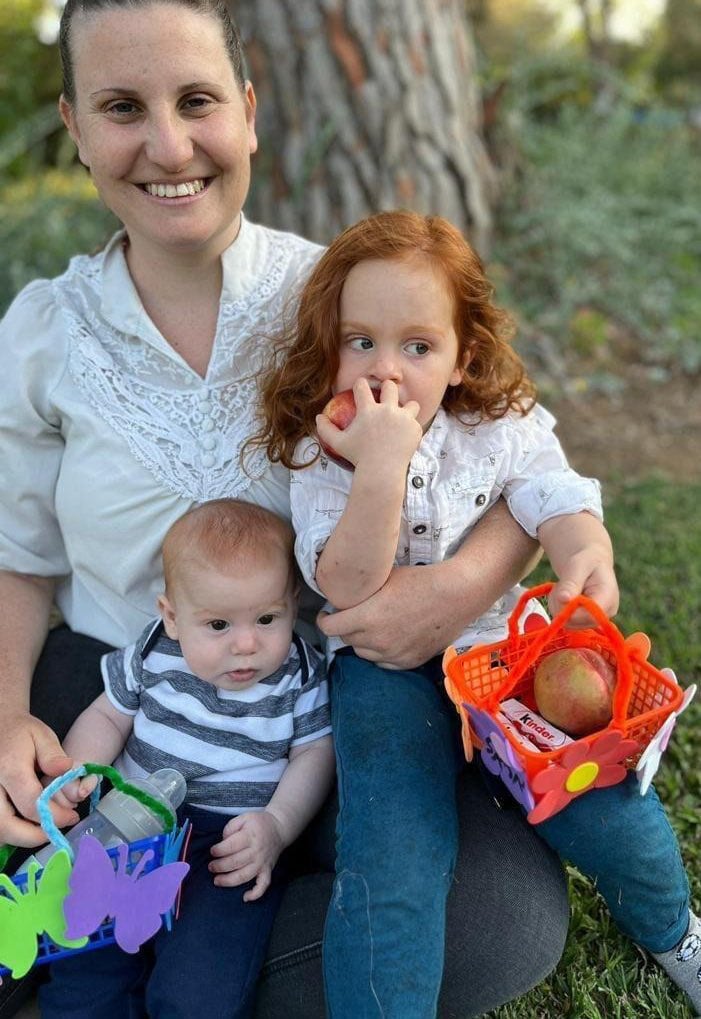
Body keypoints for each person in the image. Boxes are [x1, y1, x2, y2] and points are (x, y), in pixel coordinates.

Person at [0, 1, 571, 1016]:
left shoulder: (342, 298)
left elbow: (516, 446)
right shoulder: (45, 329)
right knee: (48, 832)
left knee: (498, 919)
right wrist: (5, 717)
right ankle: (128, 940)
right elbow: (17, 556)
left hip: (319, 706)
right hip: (119, 699)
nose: (167, 144)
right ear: (76, 128)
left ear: (250, 113)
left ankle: (180, 952)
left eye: (198, 101)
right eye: (122, 107)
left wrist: (455, 586)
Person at [254, 209, 700, 1018]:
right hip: (386, 676)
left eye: (417, 347)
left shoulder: (499, 425)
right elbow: (347, 583)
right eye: (360, 342)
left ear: (462, 358)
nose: (384, 370)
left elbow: (554, 493)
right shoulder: (323, 454)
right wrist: (379, 463)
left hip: (508, 659)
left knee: (605, 806)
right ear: (330, 347)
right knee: (394, 855)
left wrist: (583, 549)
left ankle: (672, 932)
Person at [37, 498, 334, 1019]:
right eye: (218, 625)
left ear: (292, 603)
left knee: (200, 990)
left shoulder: (298, 673)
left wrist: (277, 827)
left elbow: (313, 754)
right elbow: (108, 716)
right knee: (86, 972)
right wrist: (76, 774)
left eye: (267, 618)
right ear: (172, 617)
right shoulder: (153, 652)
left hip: (229, 844)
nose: (246, 644)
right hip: (129, 828)